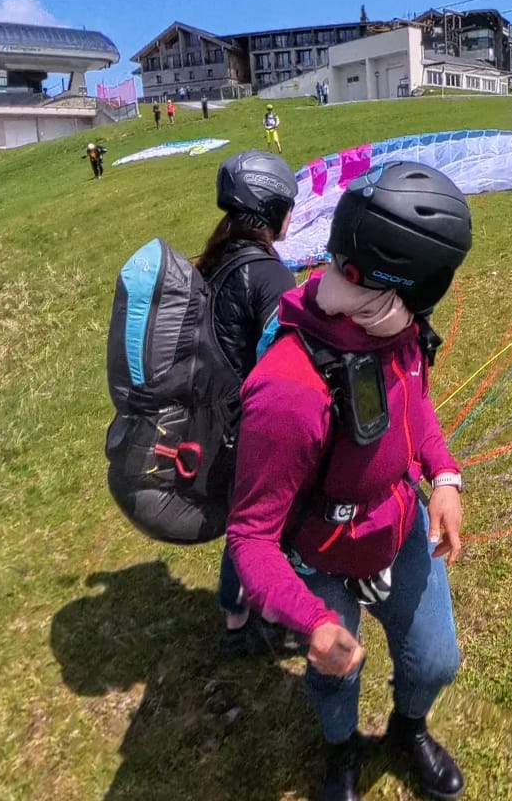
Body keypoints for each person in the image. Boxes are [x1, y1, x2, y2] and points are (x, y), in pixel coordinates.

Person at [229, 162, 472, 801]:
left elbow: (412, 402)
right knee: (335, 677)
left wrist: (442, 475)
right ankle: (339, 751)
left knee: (437, 660)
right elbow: (250, 539)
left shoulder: (392, 326)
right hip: (319, 555)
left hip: (398, 525)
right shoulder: (286, 391)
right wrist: (310, 622)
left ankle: (407, 728)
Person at [198, 151, 301, 656]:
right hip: (251, 425)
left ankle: (235, 620)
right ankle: (265, 620)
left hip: (216, 419)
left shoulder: (217, 260)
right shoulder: (268, 276)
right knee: (264, 526)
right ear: (272, 211)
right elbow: (293, 360)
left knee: (245, 521)